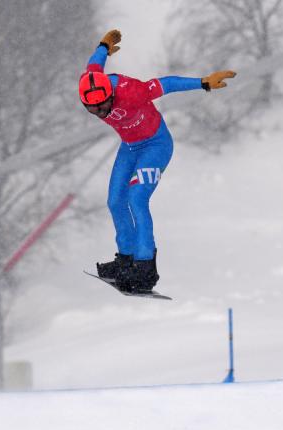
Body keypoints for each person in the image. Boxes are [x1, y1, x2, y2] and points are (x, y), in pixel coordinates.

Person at [81, 29, 236, 293]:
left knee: (136, 198)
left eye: (102, 106)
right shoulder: (91, 82)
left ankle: (145, 267)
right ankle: (126, 261)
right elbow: (95, 63)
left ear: (111, 94)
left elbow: (167, 84)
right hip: (130, 147)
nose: (99, 113)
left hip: (156, 145)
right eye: (91, 109)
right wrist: (103, 46)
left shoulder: (132, 91)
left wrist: (203, 83)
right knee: (115, 201)